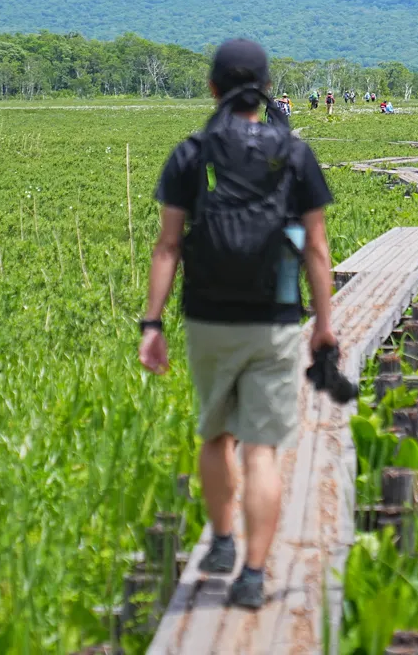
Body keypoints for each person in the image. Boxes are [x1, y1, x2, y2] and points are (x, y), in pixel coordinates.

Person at [138, 39, 338, 610]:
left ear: (213, 88)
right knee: (262, 450)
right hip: (274, 317)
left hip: (207, 314)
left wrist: (151, 324)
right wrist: (324, 324)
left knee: (215, 432)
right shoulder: (292, 152)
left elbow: (167, 246)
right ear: (267, 89)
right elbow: (317, 249)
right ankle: (253, 574)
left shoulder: (191, 152)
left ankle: (222, 540)